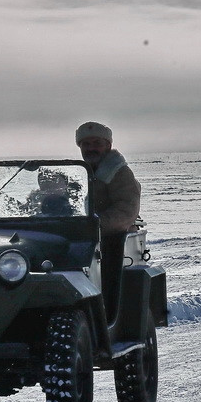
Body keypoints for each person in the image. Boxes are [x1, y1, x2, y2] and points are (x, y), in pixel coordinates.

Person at [75, 121, 140, 316]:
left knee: (104, 261)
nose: (91, 148)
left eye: (97, 143)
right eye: (86, 144)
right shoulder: (83, 171)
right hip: (88, 234)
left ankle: (107, 312)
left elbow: (126, 210)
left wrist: (95, 224)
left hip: (111, 237)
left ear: (108, 145)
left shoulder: (119, 172)